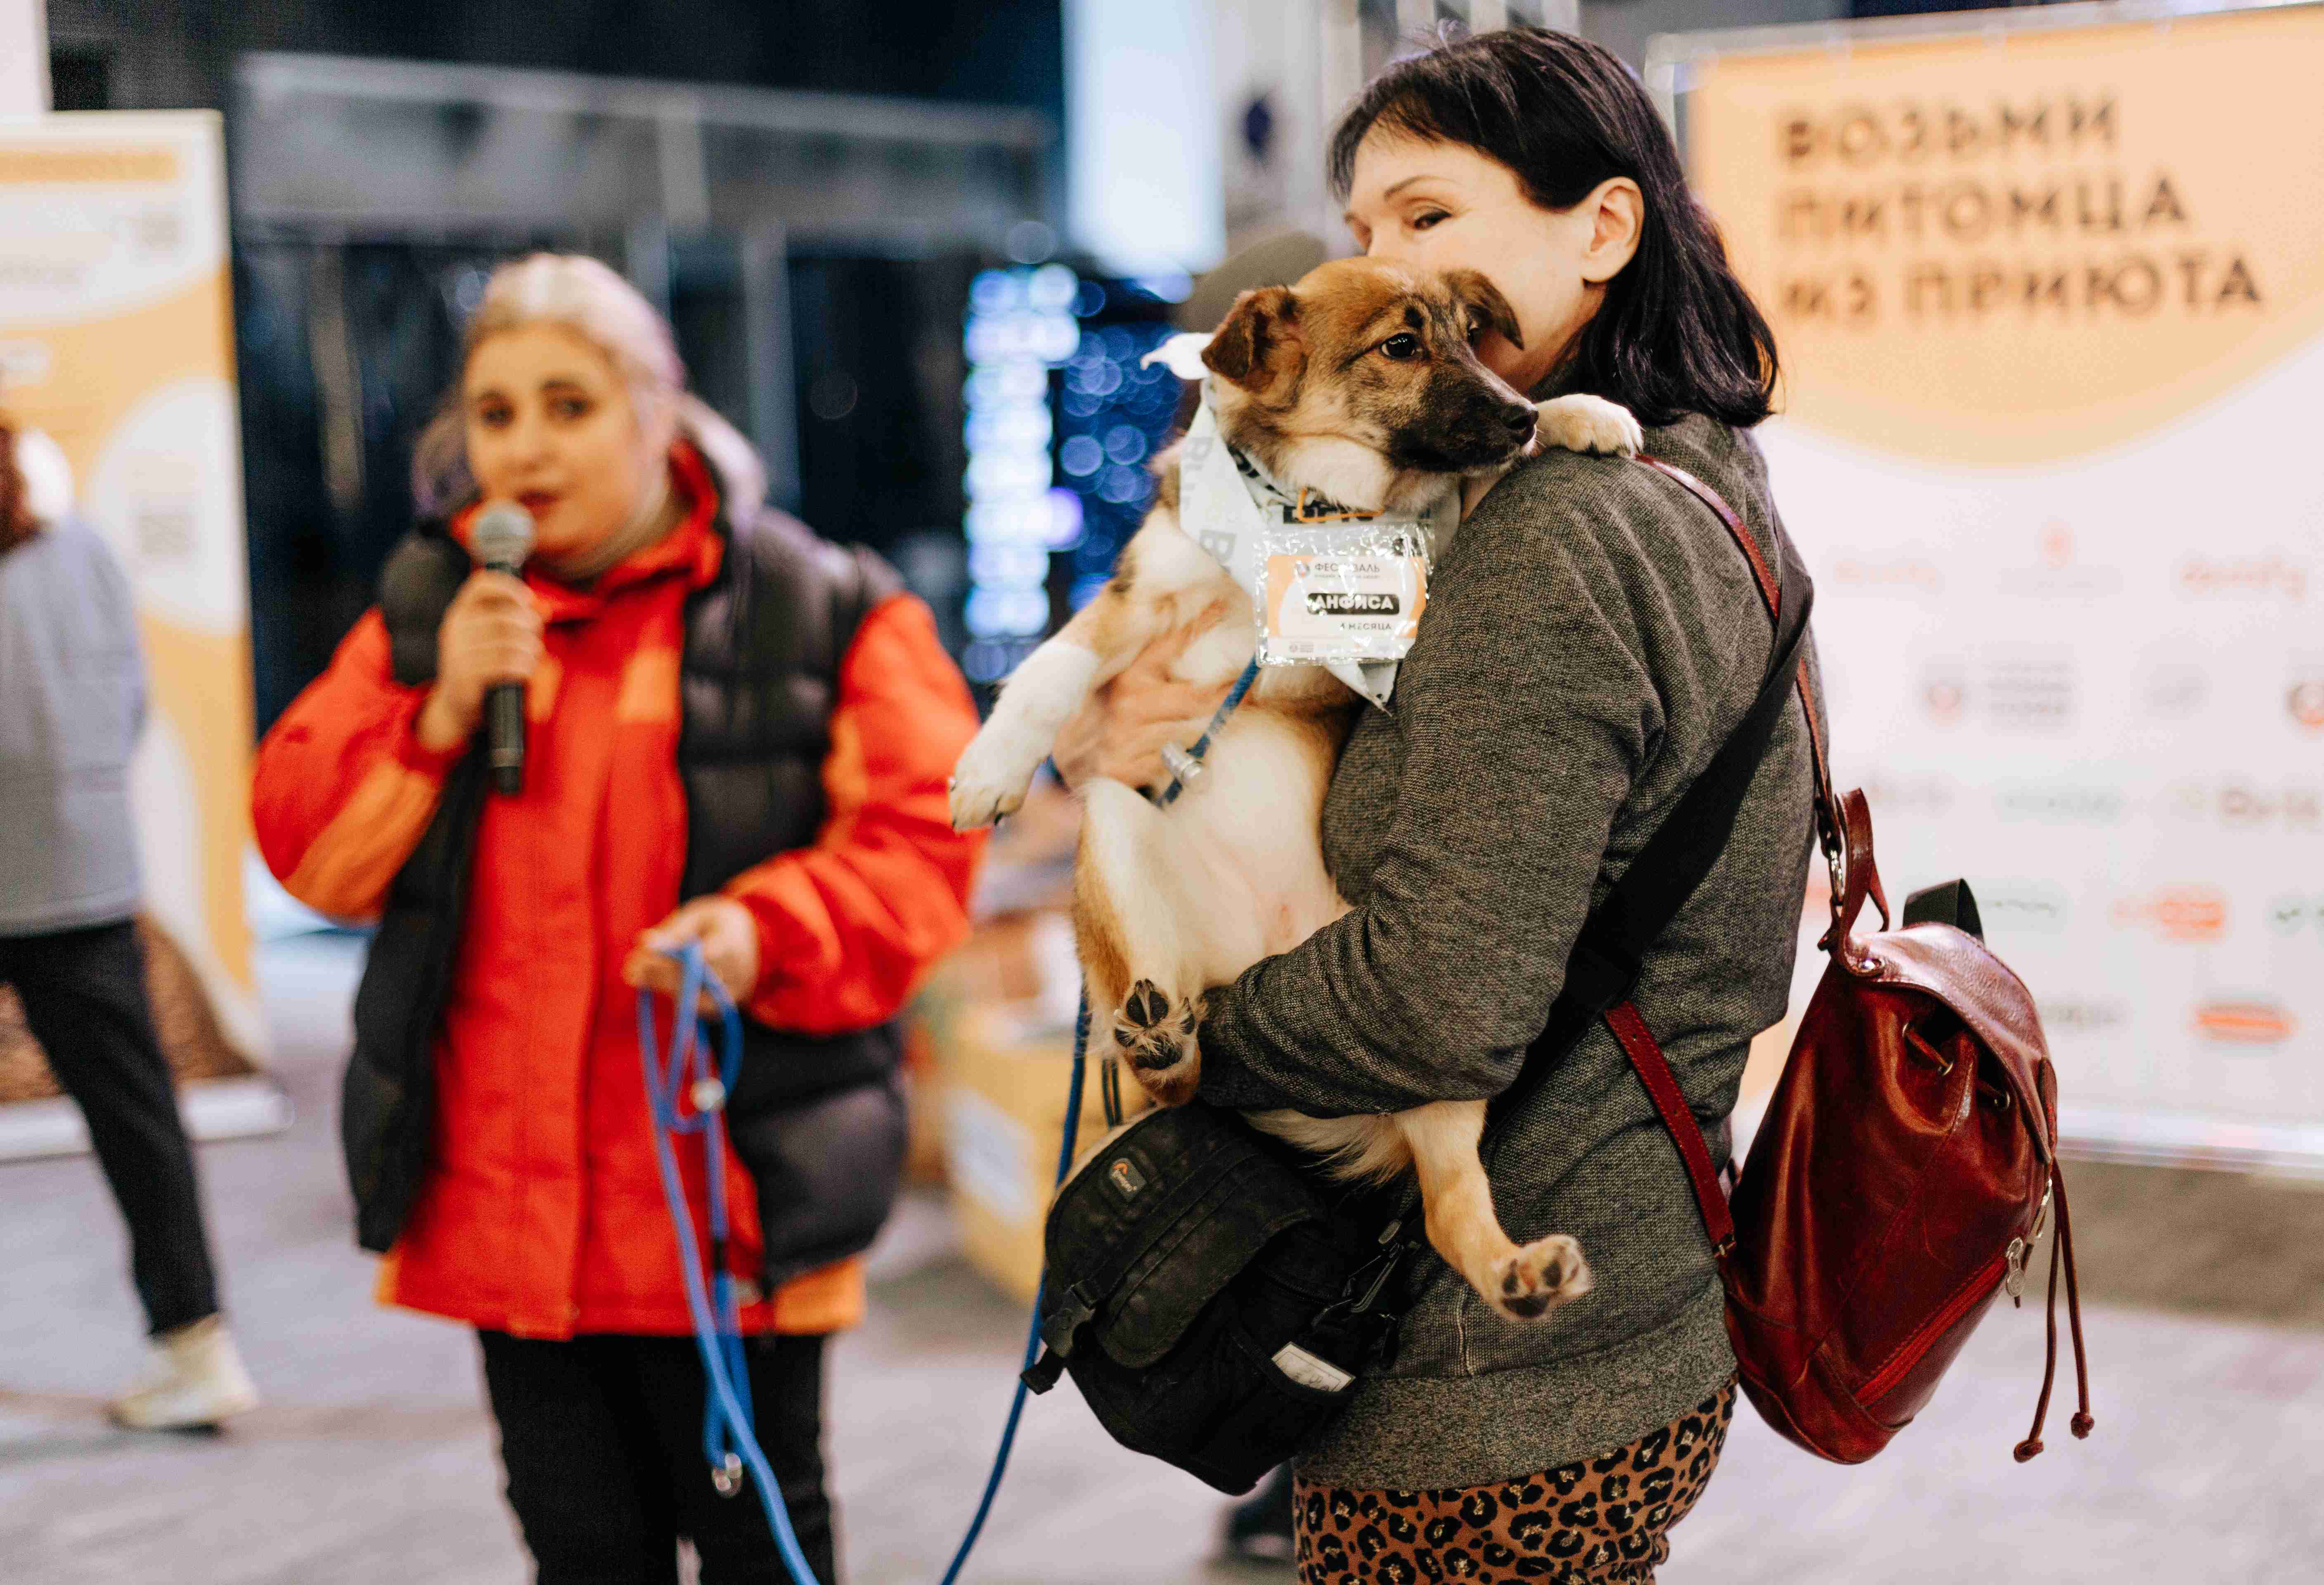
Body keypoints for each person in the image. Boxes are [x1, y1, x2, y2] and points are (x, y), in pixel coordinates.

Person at [1056, 29, 1818, 1584]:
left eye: (1427, 215)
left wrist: (1188, 1035)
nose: (1388, 268)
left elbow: (1435, 999)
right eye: (1366, 234)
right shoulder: (1701, 476)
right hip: (1639, 1293)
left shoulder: (1554, 541)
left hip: (1491, 1388)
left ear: (1604, 229)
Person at [251, 254, 983, 1585]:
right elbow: (311, 860)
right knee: (582, 1552)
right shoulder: (436, 611)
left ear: (662, 411)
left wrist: (770, 930)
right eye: (494, 412)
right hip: (511, 1216)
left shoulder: (822, 606)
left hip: (727, 1206)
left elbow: (923, 850)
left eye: (569, 406)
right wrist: (438, 717)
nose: (524, 448)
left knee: (763, 1545)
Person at [0, 416, 259, 1430]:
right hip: (88, 875)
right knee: (139, 1122)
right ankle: (197, 1346)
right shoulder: (87, 552)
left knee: (137, 1121)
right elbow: (131, 702)